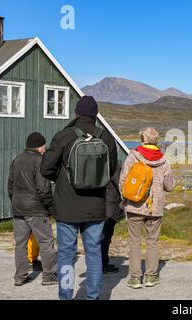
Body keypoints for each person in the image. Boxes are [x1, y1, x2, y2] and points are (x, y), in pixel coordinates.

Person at [41, 96, 118, 300]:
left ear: (76, 113)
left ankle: (66, 296)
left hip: (67, 206)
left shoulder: (64, 136)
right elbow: (109, 171)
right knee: (93, 254)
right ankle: (93, 297)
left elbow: (46, 168)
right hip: (96, 206)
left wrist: (63, 180)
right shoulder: (107, 138)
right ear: (95, 115)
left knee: (66, 254)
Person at [119, 128, 175, 289]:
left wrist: (126, 199)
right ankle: (151, 276)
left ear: (142, 139)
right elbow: (169, 185)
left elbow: (123, 181)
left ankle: (135, 278)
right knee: (152, 242)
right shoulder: (163, 160)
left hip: (135, 205)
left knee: (134, 242)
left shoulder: (133, 156)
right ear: (156, 141)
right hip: (155, 207)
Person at [8, 132, 57, 286]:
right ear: (40, 146)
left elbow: (10, 186)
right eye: (44, 146)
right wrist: (51, 208)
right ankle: (48, 276)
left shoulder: (17, 160)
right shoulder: (40, 161)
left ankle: (20, 277)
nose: (44, 149)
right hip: (36, 209)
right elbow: (43, 189)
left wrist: (16, 201)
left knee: (20, 244)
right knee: (46, 242)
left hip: (18, 208)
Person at [101, 165, 124, 274]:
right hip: (110, 203)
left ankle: (100, 263)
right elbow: (121, 184)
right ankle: (103, 264)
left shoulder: (97, 164)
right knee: (106, 235)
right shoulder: (113, 167)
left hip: (98, 203)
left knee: (99, 235)